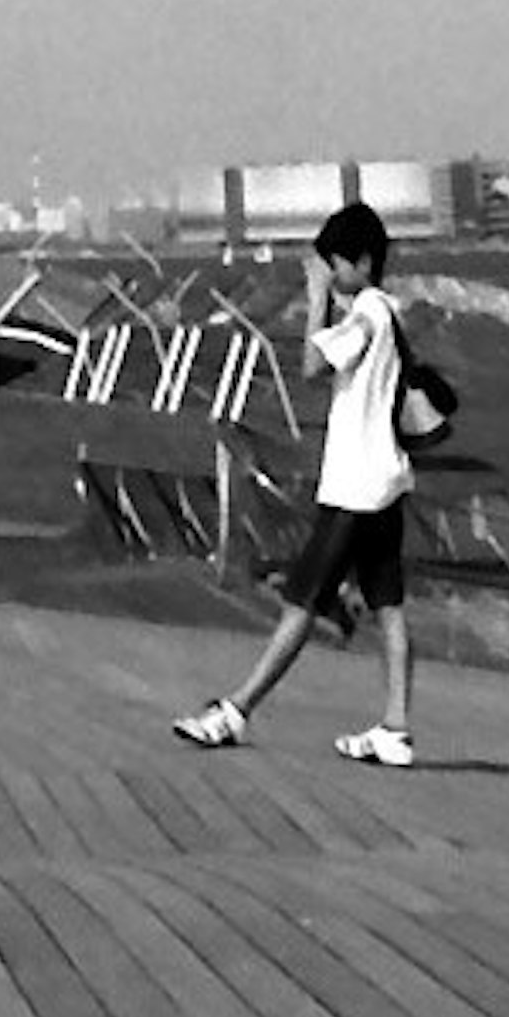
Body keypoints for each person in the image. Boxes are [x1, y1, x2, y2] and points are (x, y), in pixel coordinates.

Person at [173, 197, 421, 768]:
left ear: (361, 262)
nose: (329, 276)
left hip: (355, 488)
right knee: (388, 605)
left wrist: (315, 304)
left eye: (334, 265)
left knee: (303, 600)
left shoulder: (368, 313)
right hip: (386, 480)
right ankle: (396, 727)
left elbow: (312, 367)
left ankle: (237, 710)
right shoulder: (389, 314)